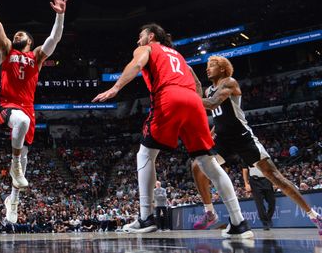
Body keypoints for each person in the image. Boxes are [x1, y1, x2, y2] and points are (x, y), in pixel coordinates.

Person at [92, 24, 252, 238]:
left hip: (169, 96)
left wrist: (116, 87)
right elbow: (195, 83)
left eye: (140, 36)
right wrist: (191, 102)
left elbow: (137, 64)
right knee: (208, 162)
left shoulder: (148, 48)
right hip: (194, 101)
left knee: (145, 153)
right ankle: (239, 223)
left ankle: (145, 217)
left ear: (150, 36)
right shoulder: (177, 55)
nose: (137, 41)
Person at [190, 55, 322, 233]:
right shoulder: (207, 91)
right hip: (223, 139)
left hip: (242, 137)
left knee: (275, 177)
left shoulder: (229, 82)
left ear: (222, 68)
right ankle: (209, 212)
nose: (207, 68)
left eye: (212, 65)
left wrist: (188, 97)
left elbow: (213, 104)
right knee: (197, 166)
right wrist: (210, 133)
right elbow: (217, 116)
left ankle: (314, 215)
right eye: (207, 66)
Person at [0, 0, 67, 225]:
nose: (17, 35)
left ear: (29, 41)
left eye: (22, 34)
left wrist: (60, 16)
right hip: (7, 104)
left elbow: (53, 39)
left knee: (25, 159)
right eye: (16, 33)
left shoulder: (36, 56)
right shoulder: (6, 50)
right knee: (21, 126)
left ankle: (13, 200)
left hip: (27, 106)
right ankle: (14, 162)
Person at [243, 164, 275, 230]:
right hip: (254, 181)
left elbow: (271, 168)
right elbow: (245, 170)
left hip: (267, 180)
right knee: (259, 203)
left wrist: (274, 182)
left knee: (272, 201)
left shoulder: (264, 155)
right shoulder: (247, 156)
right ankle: (265, 222)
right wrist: (246, 184)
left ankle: (268, 218)